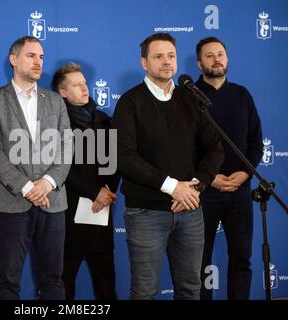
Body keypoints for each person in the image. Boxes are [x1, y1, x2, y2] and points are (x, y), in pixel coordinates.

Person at [112, 32, 224, 300]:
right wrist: (173, 187)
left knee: (190, 290)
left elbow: (215, 148)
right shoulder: (130, 102)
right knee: (145, 292)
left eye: (171, 56)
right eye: (158, 56)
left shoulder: (190, 98)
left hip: (190, 208)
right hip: (146, 213)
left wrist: (196, 186)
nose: (166, 62)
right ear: (144, 62)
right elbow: (124, 156)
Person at [0, 36, 72, 300]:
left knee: (53, 279)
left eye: (41, 57)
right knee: (8, 281)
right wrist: (29, 187)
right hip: (12, 203)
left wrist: (48, 183)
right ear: (14, 60)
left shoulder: (55, 101)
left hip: (53, 202)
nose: (38, 62)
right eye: (31, 55)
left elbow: (66, 148)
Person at [195, 37, 263, 300]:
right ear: (200, 63)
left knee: (241, 259)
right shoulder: (188, 97)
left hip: (240, 192)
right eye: (209, 55)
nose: (216, 59)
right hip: (203, 192)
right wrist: (209, 178)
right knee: (198, 263)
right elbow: (183, 148)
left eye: (220, 54)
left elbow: (256, 142)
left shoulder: (242, 94)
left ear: (228, 58)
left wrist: (246, 173)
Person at [52, 62, 120, 300]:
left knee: (106, 284)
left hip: (101, 212)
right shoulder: (54, 122)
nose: (84, 88)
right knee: (63, 283)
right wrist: (94, 192)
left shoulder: (103, 119)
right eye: (76, 84)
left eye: (84, 83)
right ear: (62, 92)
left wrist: (108, 192)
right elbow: (58, 169)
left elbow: (115, 162)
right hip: (69, 214)